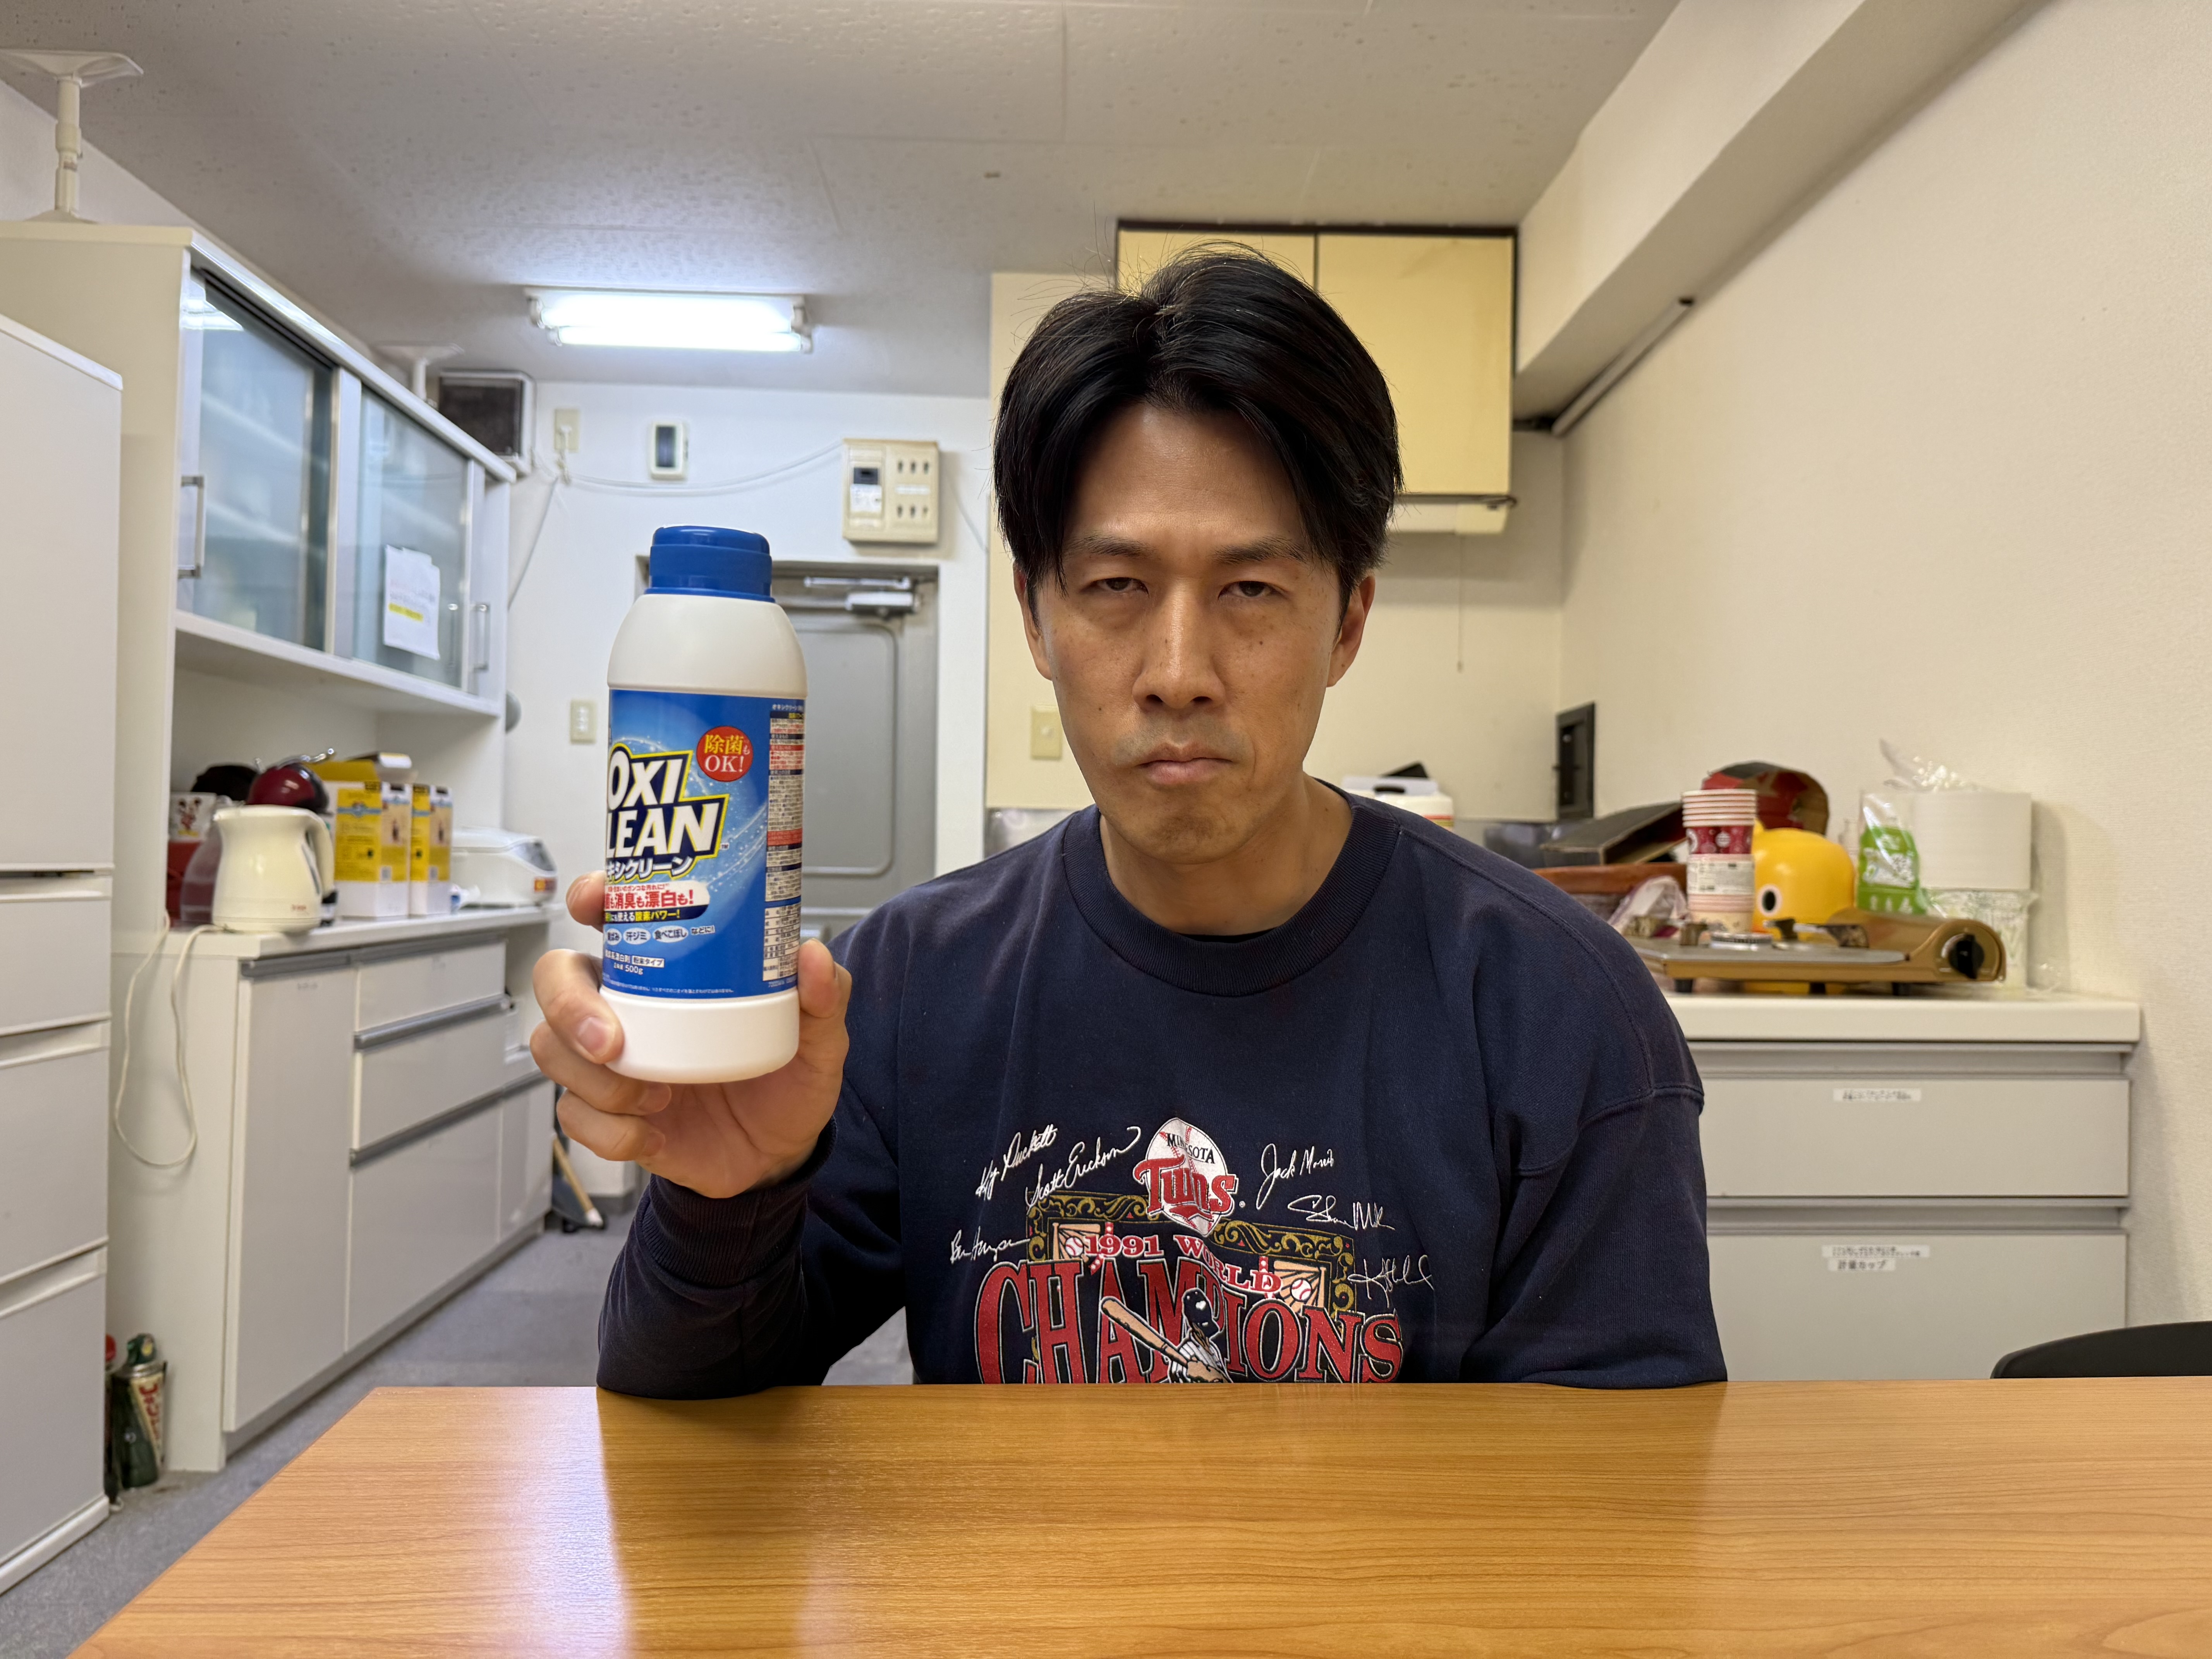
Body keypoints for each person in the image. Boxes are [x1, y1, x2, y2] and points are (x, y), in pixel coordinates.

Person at [533, 249, 1724, 1393]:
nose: (1178, 672)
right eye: (1116, 586)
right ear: (1036, 617)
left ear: (1349, 622)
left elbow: (1616, 1488)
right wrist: (726, 1197)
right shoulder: (903, 990)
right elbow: (692, 1421)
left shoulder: (1559, 1011)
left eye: (1251, 589)